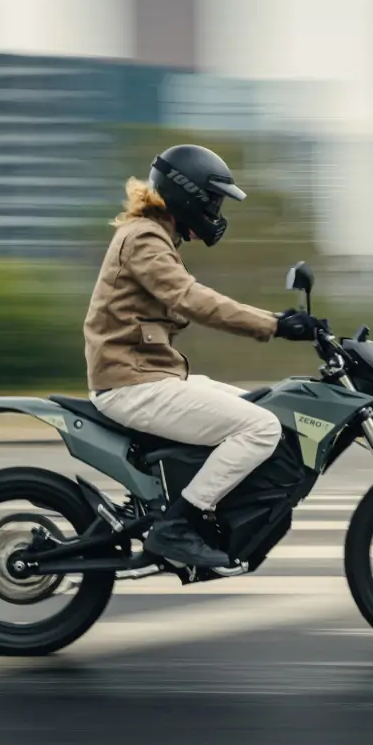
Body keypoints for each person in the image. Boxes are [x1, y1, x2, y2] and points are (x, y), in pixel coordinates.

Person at [83, 144, 320, 569]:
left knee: (262, 407)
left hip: (151, 377)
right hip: (132, 384)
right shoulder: (143, 239)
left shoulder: (156, 238)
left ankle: (214, 512)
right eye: (212, 199)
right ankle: (179, 525)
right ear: (186, 193)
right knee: (261, 429)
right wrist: (275, 324)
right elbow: (191, 298)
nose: (215, 210)